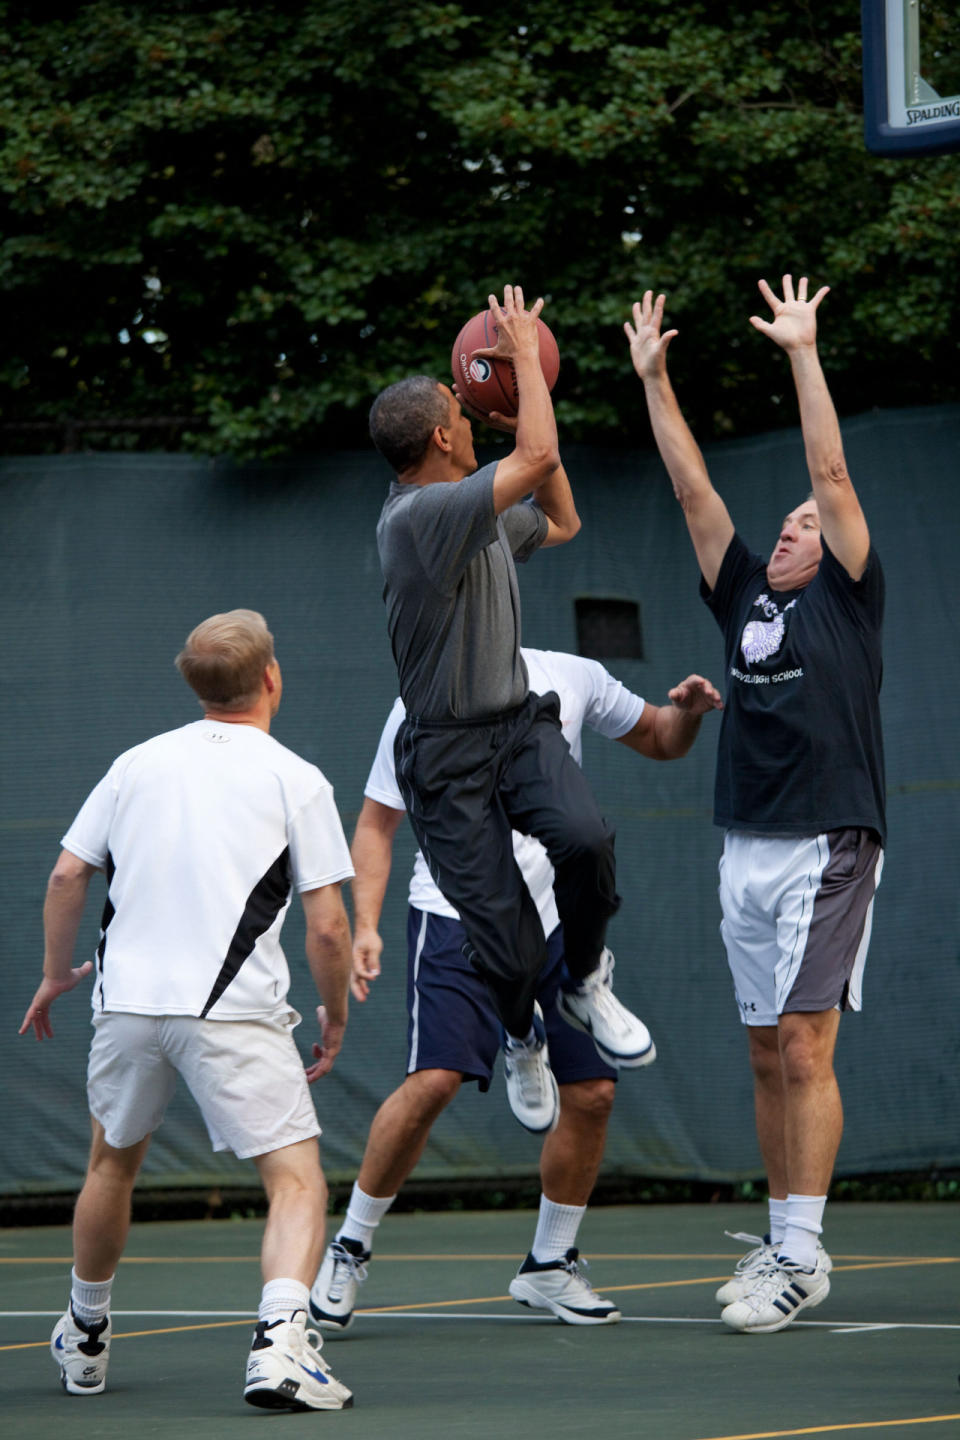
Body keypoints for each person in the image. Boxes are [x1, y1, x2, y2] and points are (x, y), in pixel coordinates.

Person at [308, 647, 722, 1329]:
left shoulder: (574, 675)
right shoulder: (420, 701)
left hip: (556, 920)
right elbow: (377, 825)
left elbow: (658, 737)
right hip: (454, 918)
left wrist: (688, 714)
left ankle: (549, 1265)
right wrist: (367, 926)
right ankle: (350, 1244)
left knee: (592, 1094)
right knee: (434, 1081)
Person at [625, 276, 885, 1334]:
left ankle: (805, 1254)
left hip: (829, 838)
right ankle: (783, 1238)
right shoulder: (747, 595)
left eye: (805, 521)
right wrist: (654, 380)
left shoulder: (851, 596)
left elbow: (826, 469)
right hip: (746, 842)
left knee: (806, 1045)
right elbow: (693, 490)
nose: (790, 526)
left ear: (834, 538)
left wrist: (802, 351)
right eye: (783, 520)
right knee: (763, 1049)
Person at [18, 609, 357, 1410]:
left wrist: (53, 973)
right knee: (297, 1181)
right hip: (232, 1011)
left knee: (111, 1164)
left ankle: (86, 1335)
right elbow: (330, 923)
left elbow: (68, 877)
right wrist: (334, 1011)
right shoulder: (295, 776)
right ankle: (280, 1348)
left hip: (127, 1006)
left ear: (195, 684)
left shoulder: (133, 764)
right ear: (271, 678)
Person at [372, 284, 651, 1137]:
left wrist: (526, 417)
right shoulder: (422, 518)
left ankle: (587, 979)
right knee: (502, 930)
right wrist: (526, 363)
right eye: (463, 402)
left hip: (514, 724)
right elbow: (529, 463)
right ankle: (524, 1035)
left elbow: (559, 516)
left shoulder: (478, 516)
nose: (469, 406)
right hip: (446, 754)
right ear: (444, 438)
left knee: (587, 839)